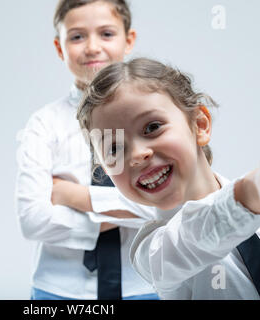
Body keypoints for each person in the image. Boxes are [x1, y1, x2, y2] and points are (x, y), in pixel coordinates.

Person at [70, 57, 260, 299]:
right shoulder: (153, 252)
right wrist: (249, 198)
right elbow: (197, 236)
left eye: (152, 127)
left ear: (199, 124)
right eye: (114, 149)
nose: (137, 155)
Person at [15, 1, 159, 300]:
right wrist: (132, 205)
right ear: (59, 47)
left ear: (128, 40)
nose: (92, 47)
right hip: (58, 290)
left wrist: (74, 197)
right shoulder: (44, 123)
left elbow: (165, 206)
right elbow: (33, 219)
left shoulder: (154, 116)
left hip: (144, 285)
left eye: (106, 34)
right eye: (77, 36)